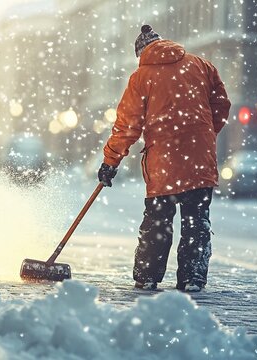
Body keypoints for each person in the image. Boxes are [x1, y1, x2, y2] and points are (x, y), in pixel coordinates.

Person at [98, 25, 231, 292]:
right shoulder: (202, 66)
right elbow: (222, 104)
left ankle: (148, 277)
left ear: (141, 52)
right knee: (196, 221)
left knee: (157, 222)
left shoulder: (141, 77)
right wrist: (203, 133)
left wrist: (110, 161)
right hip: (199, 157)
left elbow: (127, 126)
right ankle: (192, 279)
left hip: (163, 162)